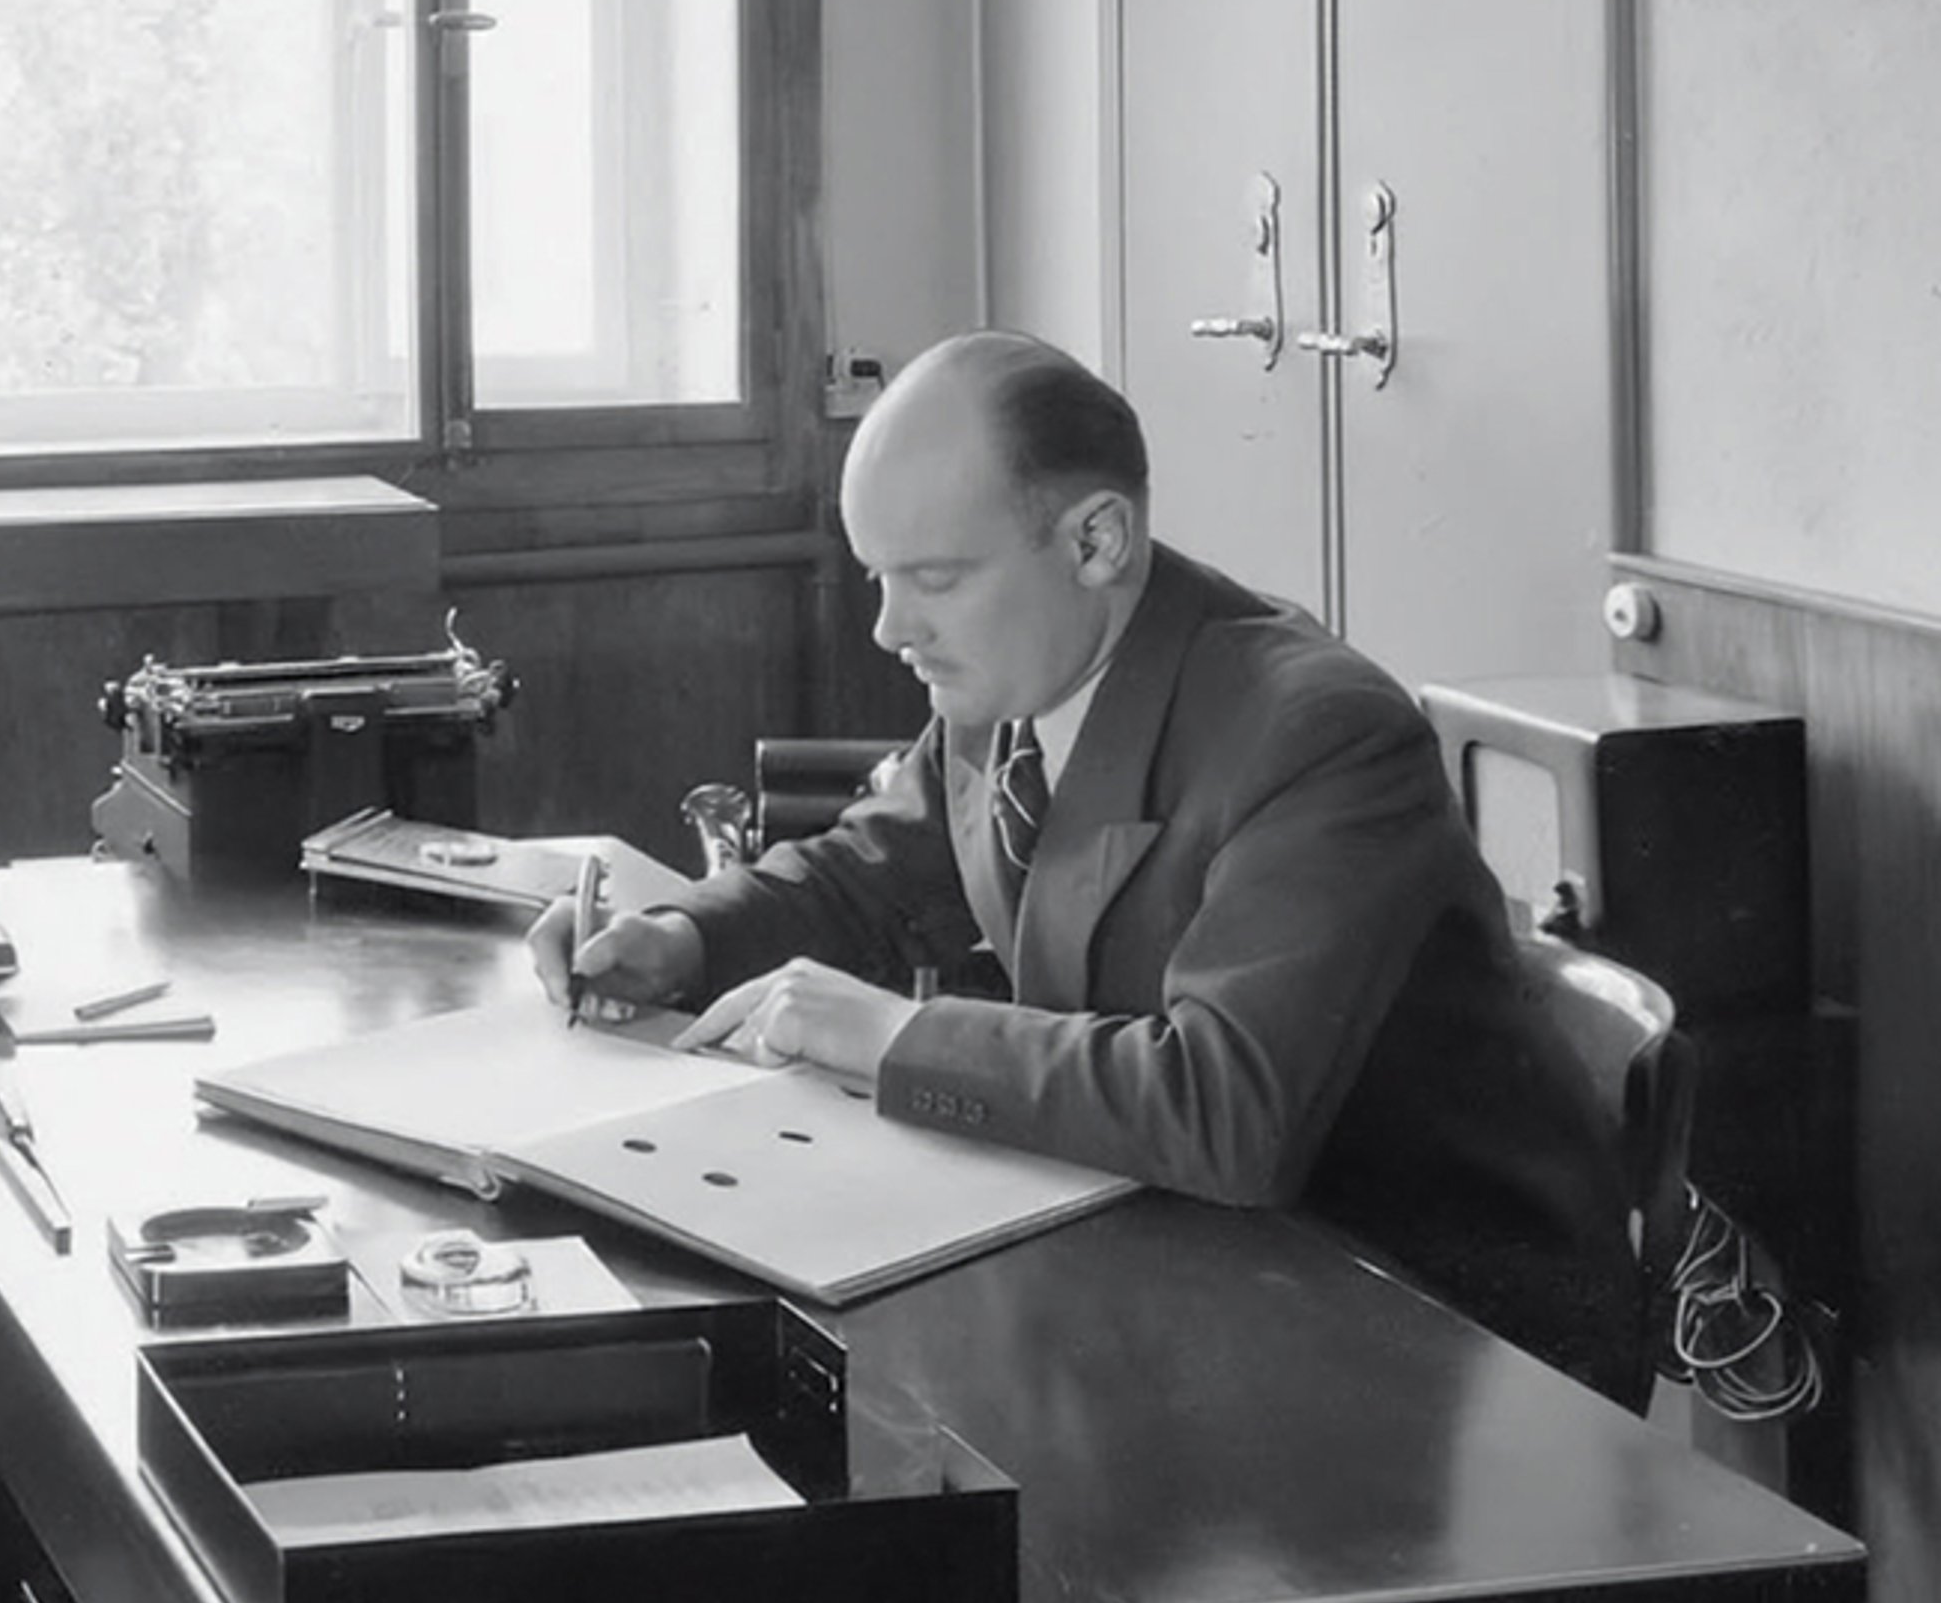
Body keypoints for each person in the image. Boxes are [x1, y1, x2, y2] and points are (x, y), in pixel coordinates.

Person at [535, 329, 1647, 1402]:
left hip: (1435, 1345)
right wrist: (680, 936)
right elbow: (868, 873)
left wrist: (889, 1035)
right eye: (878, 576)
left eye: (932, 577)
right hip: (1194, 1263)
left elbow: (1226, 1108)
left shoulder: (1315, 732)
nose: (887, 629)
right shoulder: (1016, 677)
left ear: (1096, 541)